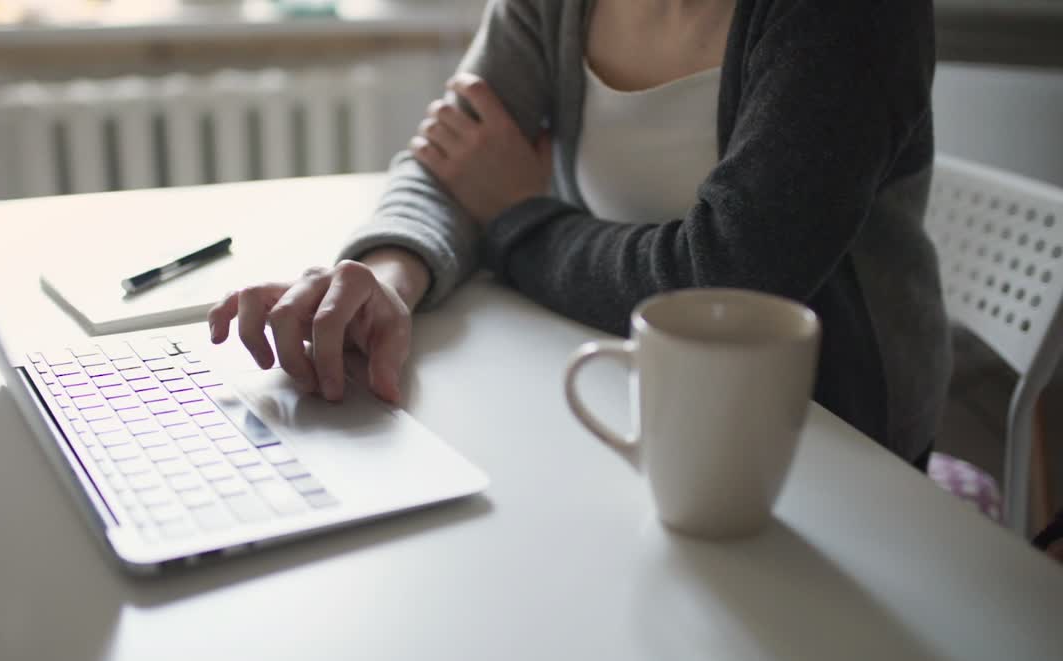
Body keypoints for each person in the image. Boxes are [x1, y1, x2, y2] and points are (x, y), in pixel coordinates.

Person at [207, 0, 952, 469]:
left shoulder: (852, 17)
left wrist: (519, 218)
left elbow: (725, 283)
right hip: (593, 370)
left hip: (821, 432)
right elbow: (452, 161)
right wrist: (386, 279)